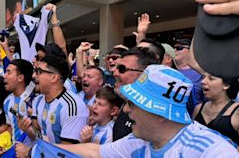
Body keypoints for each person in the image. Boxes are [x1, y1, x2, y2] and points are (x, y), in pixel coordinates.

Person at [57, 65, 239, 157]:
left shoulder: (213, 152)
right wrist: (36, 151)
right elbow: (97, 152)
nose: (126, 109)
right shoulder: (140, 140)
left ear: (158, 113)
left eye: (133, 103)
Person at [19, 55, 89, 144]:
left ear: (54, 77)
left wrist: (29, 153)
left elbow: (67, 152)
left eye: (39, 71)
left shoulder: (72, 106)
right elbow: (38, 136)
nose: (33, 75)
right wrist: (28, 129)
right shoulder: (38, 100)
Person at [112, 47, 158, 141]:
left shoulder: (151, 114)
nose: (115, 73)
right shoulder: (124, 101)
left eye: (122, 69)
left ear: (143, 74)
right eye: (116, 68)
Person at [193, 73, 239, 145]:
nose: (203, 81)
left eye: (211, 78)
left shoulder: (237, 113)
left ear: (226, 85)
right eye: (203, 77)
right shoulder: (198, 108)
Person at [2, 59, 35, 150]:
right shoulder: (7, 101)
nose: (4, 76)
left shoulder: (33, 102)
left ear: (20, 78)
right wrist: (2, 143)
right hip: (15, 151)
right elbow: (11, 126)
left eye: (9, 72)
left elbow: (40, 135)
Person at [174, 38, 204, 115]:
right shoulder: (170, 72)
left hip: (194, 120)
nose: (175, 50)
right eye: (174, 48)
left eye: (179, 48)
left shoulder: (202, 73)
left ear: (191, 50)